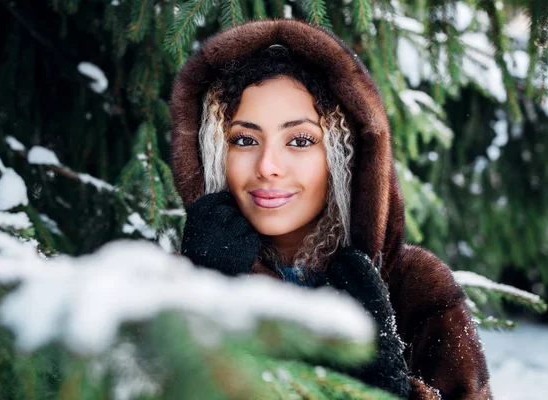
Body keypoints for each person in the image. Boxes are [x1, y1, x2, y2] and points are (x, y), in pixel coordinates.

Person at [169, 19, 491, 400]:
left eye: (301, 140)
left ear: (346, 154)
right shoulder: (173, 281)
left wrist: (386, 384)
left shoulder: (416, 288)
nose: (267, 165)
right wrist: (205, 297)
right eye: (244, 139)